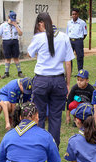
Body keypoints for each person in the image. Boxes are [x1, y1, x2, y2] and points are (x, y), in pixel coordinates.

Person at [27, 12, 75, 147]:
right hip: (58, 81)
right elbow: (68, 63)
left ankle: (40, 145)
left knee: (40, 115)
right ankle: (53, 147)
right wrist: (68, 83)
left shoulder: (39, 37)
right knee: (55, 117)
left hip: (41, 81)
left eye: (38, 25)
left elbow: (29, 53)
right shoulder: (64, 37)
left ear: (41, 23)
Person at [0, 11, 24, 79]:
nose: (12, 21)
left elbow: (20, 34)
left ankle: (19, 72)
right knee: (7, 58)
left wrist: (16, 26)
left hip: (15, 42)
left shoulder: (17, 25)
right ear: (8, 18)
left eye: (14, 20)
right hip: (6, 42)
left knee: (16, 57)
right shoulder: (3, 25)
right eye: (11, 20)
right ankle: (6, 73)